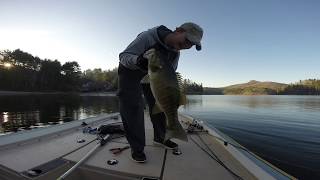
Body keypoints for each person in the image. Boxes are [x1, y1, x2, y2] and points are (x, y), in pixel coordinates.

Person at [117, 22, 203, 163]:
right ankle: (137, 148)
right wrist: (138, 61)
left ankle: (161, 138)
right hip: (131, 70)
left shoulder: (176, 52)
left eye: (192, 45)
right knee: (132, 105)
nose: (188, 46)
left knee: (162, 105)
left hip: (156, 78)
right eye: (187, 40)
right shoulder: (148, 37)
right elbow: (124, 56)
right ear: (178, 30)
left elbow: (172, 75)